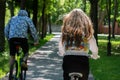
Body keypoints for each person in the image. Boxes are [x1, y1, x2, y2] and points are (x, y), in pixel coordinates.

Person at [58, 8, 100, 80]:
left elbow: (61, 48)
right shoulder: (88, 35)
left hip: (68, 63)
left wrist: (61, 53)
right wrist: (95, 55)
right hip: (82, 64)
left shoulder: (65, 34)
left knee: (66, 75)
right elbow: (95, 49)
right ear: (85, 21)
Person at [4, 10, 39, 80]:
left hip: (12, 39)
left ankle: (10, 75)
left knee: (12, 56)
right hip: (23, 39)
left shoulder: (13, 18)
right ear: (26, 14)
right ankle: (23, 61)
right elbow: (33, 29)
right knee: (26, 52)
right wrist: (36, 40)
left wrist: (8, 37)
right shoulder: (27, 19)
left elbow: (6, 29)